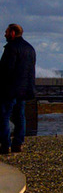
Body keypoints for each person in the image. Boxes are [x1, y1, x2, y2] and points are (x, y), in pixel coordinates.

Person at [0, 24, 36, 154]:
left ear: (13, 33)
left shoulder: (11, 48)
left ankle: (5, 145)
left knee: (3, 116)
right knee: (20, 117)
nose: (5, 34)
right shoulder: (30, 48)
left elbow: (6, 70)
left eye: (6, 32)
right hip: (24, 90)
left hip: (9, 90)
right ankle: (18, 144)